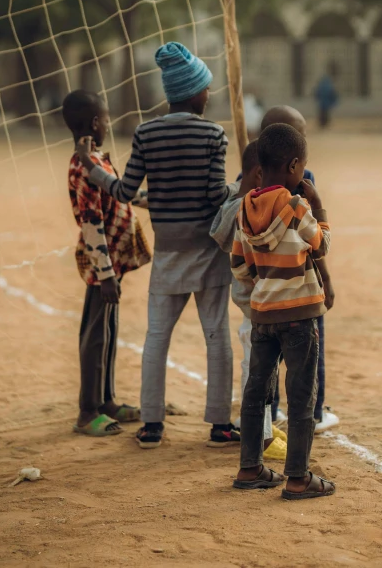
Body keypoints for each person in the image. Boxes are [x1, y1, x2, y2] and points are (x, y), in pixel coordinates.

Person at [76, 42, 239, 449]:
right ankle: (219, 424)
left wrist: (92, 169)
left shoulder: (146, 133)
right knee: (216, 336)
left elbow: (126, 190)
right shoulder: (213, 134)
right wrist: (241, 189)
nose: (209, 94)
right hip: (206, 252)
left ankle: (151, 424)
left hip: (168, 253)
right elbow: (215, 196)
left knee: (156, 338)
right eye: (206, 88)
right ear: (195, 92)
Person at [231, 123, 336, 499]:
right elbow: (321, 244)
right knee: (301, 393)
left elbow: (240, 267)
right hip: (299, 315)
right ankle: (296, 477)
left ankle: (249, 468)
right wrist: (318, 206)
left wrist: (262, 290)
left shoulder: (244, 207)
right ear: (294, 166)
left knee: (256, 391)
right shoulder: (296, 205)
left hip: (263, 314)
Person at [63, 90, 152, 437]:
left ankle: (107, 400)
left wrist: (163, 200)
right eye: (107, 118)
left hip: (113, 261)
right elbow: (91, 221)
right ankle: (88, 411)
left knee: (109, 329)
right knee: (95, 333)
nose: (109, 124)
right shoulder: (81, 165)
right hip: (103, 266)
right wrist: (105, 274)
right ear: (96, 123)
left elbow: (121, 194)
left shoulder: (96, 160)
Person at [253, 106, 338, 433]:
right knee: (307, 357)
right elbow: (317, 243)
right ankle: (315, 413)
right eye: (300, 135)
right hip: (302, 291)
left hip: (264, 293)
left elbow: (240, 252)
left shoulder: (249, 184)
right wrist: (327, 279)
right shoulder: (303, 182)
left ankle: (271, 413)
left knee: (266, 361)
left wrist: (250, 286)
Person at [210, 140, 288, 462]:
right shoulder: (247, 211)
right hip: (256, 305)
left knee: (262, 369)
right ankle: (263, 438)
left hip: (256, 303)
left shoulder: (242, 205)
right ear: (260, 176)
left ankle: (261, 424)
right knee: (255, 370)